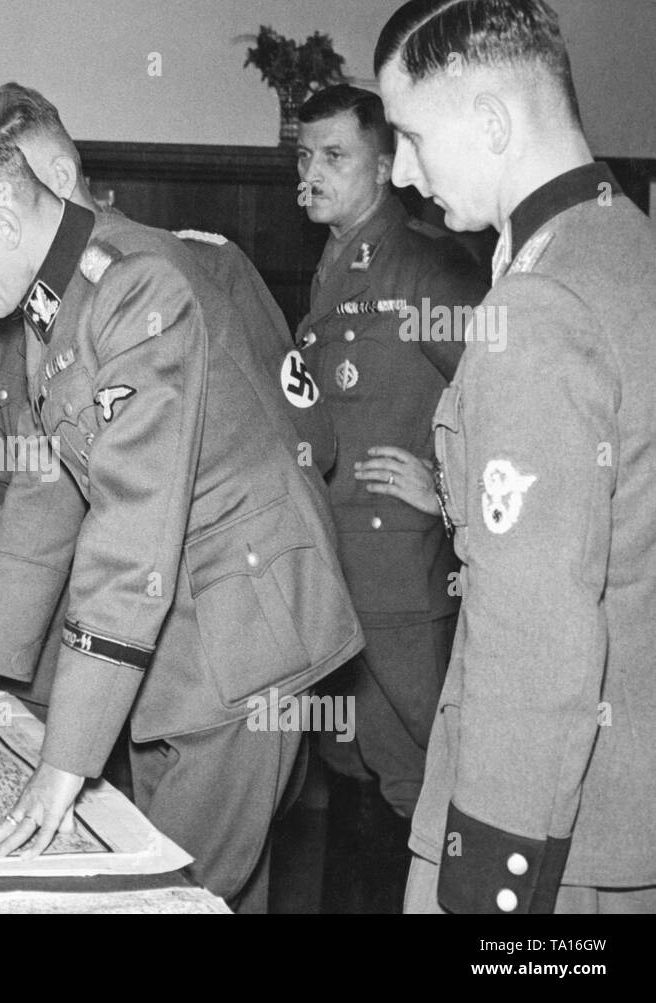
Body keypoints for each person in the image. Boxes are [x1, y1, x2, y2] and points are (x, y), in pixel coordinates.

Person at [0, 123, 364, 910]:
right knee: (181, 886)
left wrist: (65, 758)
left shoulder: (137, 284)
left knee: (176, 895)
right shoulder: (60, 297)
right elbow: (47, 490)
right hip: (175, 639)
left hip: (240, 637)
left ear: (5, 223)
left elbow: (130, 527)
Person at [377, 0, 656, 914]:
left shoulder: (537, 307)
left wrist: (487, 887)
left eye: (412, 136)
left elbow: (535, 631)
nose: (404, 172)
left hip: (550, 838)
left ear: (491, 121)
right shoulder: (627, 246)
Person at [293, 83, 488, 911]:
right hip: (340, 572)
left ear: (385, 163)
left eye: (333, 156)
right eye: (303, 157)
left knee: (420, 787)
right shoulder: (333, 262)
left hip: (404, 584)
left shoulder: (425, 262)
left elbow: (503, 402)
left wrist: (446, 489)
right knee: (351, 778)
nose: (311, 173)